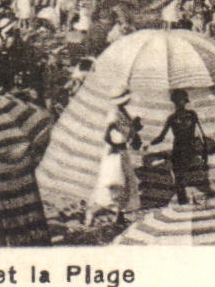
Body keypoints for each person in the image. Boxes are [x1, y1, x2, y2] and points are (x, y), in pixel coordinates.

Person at [83, 91, 142, 227]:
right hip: (114, 153)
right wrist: (115, 145)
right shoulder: (114, 114)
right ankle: (93, 212)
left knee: (125, 184)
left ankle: (119, 216)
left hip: (122, 152)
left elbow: (129, 133)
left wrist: (133, 131)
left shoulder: (124, 113)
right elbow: (106, 135)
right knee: (114, 185)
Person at [149, 89, 207, 205]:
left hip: (181, 149)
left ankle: (184, 202)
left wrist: (149, 144)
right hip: (187, 149)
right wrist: (204, 151)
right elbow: (202, 134)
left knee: (180, 178)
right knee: (186, 177)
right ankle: (187, 202)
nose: (180, 103)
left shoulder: (175, 117)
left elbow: (161, 137)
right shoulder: (189, 115)